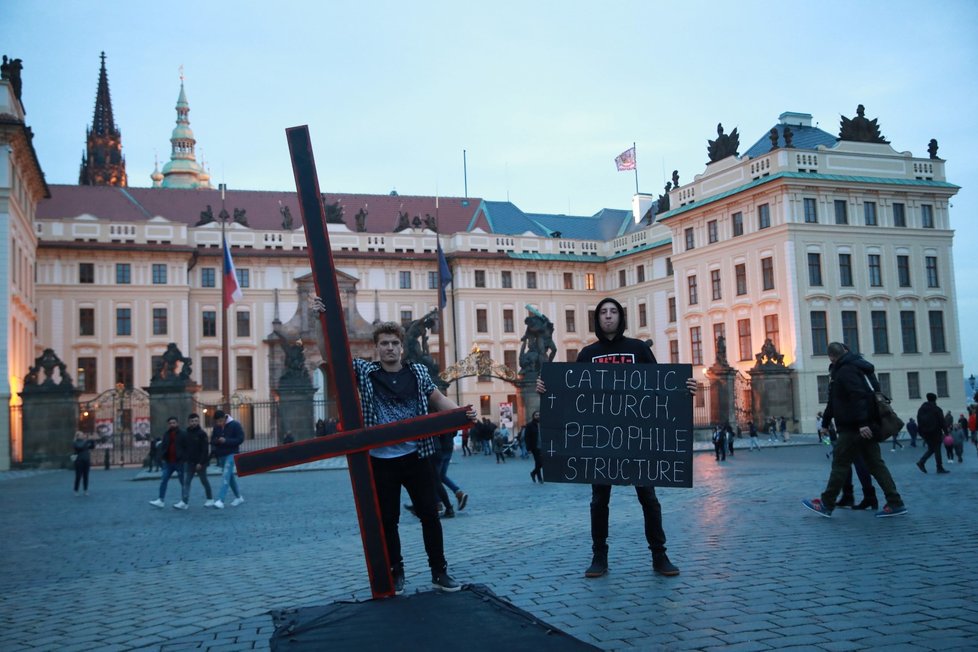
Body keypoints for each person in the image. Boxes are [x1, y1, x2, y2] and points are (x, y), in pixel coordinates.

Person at [537, 297, 697, 578]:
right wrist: (548, 390)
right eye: (603, 312)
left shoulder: (637, 349)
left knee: (648, 497)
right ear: (597, 319)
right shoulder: (587, 354)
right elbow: (575, 398)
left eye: (613, 312)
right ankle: (599, 556)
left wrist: (685, 388)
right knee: (599, 500)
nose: (608, 316)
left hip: (638, 439)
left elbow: (662, 387)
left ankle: (660, 556)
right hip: (601, 440)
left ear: (621, 317)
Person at [352, 321, 477, 595]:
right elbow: (330, 358)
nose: (390, 348)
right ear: (376, 348)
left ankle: (439, 572)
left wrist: (462, 413)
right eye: (384, 343)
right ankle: (396, 572)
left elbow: (438, 399)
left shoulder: (418, 372)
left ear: (402, 347)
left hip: (416, 456)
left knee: (430, 515)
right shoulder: (366, 372)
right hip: (381, 460)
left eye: (394, 343)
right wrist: (317, 320)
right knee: (388, 520)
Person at [803, 342, 907, 518]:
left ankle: (827, 503)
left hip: (853, 427)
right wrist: (827, 421)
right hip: (866, 424)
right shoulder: (859, 367)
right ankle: (895, 501)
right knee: (875, 464)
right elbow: (841, 399)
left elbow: (857, 397)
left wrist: (861, 423)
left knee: (841, 463)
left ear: (831, 357)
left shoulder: (845, 371)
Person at [175, 413, 213, 509]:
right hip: (189, 462)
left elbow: (205, 450)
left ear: (198, 421)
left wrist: (201, 463)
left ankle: (210, 499)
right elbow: (183, 447)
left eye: (196, 421)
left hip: (200, 463)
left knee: (204, 481)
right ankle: (184, 502)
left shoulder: (202, 434)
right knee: (186, 482)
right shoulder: (186, 433)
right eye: (192, 421)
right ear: (189, 422)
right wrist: (184, 458)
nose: (194, 423)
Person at [211, 409, 245, 508]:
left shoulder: (235, 425)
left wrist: (226, 441)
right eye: (217, 422)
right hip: (221, 454)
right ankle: (238, 497)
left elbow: (240, 439)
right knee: (229, 477)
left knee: (226, 475)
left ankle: (220, 500)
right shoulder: (217, 427)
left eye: (220, 421)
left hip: (232, 453)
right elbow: (212, 440)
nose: (219, 423)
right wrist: (217, 441)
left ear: (224, 418)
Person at [149, 417, 186, 508]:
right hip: (168, 462)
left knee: (183, 482)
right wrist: (162, 457)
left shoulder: (182, 434)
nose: (172, 424)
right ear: (168, 424)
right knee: (163, 480)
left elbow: (186, 447)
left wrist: (183, 458)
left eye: (174, 423)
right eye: (170, 423)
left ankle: (184, 501)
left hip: (179, 462)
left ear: (177, 423)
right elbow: (164, 446)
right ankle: (161, 500)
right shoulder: (166, 434)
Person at [915, 393, 948, 474]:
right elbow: (942, 422)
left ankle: (922, 462)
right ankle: (939, 467)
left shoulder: (921, 409)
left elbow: (918, 420)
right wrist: (946, 432)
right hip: (936, 432)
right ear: (935, 399)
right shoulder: (937, 409)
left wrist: (921, 432)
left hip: (925, 433)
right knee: (937, 449)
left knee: (931, 449)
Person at [72, 431, 95, 496]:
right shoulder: (75, 442)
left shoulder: (85, 442)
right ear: (77, 436)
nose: (83, 435)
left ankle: (85, 490)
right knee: (78, 476)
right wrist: (87, 441)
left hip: (86, 460)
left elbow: (92, 447)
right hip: (79, 461)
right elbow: (80, 447)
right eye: (81, 435)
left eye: (83, 434)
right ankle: (76, 490)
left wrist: (92, 440)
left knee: (86, 476)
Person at [526, 411, 544, 483]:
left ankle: (533, 473)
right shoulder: (529, 425)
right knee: (539, 462)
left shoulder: (544, 424)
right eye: (536, 415)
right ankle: (539, 478)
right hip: (535, 447)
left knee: (541, 463)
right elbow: (527, 437)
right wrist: (528, 448)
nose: (538, 416)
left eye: (539, 415)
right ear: (533, 416)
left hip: (543, 446)